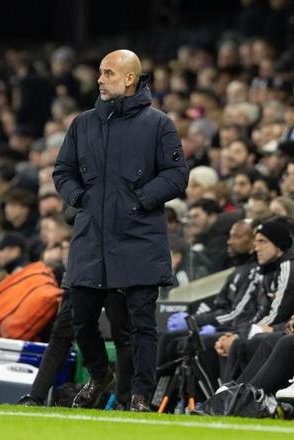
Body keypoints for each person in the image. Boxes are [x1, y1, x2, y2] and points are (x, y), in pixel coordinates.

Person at [52, 49, 189, 411]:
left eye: (108, 73)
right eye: (100, 72)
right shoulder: (82, 123)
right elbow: (62, 171)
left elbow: (177, 175)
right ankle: (100, 375)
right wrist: (79, 198)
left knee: (142, 324)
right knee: (81, 318)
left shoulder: (159, 124)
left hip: (139, 236)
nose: (100, 79)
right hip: (91, 235)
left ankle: (141, 395)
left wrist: (139, 200)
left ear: (130, 78)